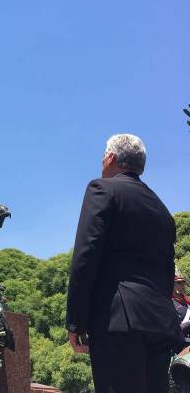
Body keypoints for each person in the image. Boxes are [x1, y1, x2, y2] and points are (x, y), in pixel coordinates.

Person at [66, 133, 184, 393]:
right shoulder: (162, 210)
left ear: (110, 158)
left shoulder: (102, 189)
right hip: (160, 323)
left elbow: (86, 255)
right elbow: (166, 271)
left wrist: (76, 321)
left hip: (117, 319)